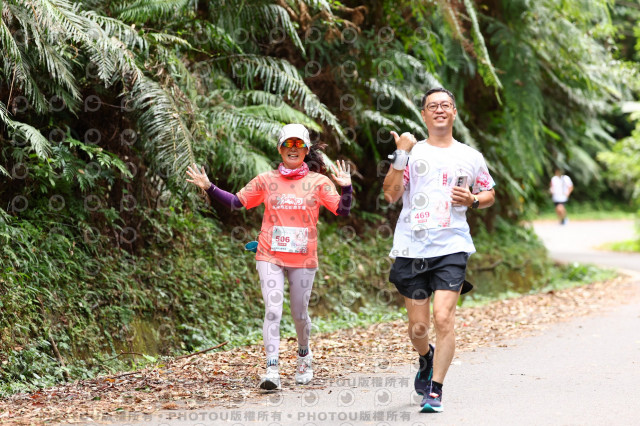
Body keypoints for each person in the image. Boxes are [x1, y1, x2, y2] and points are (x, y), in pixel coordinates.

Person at [186, 124, 353, 390]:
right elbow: (237, 202)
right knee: (273, 310)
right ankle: (272, 368)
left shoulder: (319, 182)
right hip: (269, 254)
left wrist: (346, 188)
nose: (293, 149)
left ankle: (303, 355)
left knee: (299, 314)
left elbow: (341, 211)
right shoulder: (266, 180)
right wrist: (209, 187)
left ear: (306, 150)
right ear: (279, 149)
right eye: (288, 144)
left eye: (299, 144)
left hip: (303, 258)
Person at [382, 88, 496, 413]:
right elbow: (390, 194)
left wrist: (473, 200)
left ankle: (435, 390)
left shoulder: (471, 156)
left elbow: (488, 193)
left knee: (443, 317)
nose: (440, 109)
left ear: (454, 112)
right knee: (418, 329)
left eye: (445, 105)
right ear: (424, 115)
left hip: (452, 246)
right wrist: (400, 154)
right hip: (412, 248)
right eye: (433, 106)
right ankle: (425, 357)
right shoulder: (411, 152)